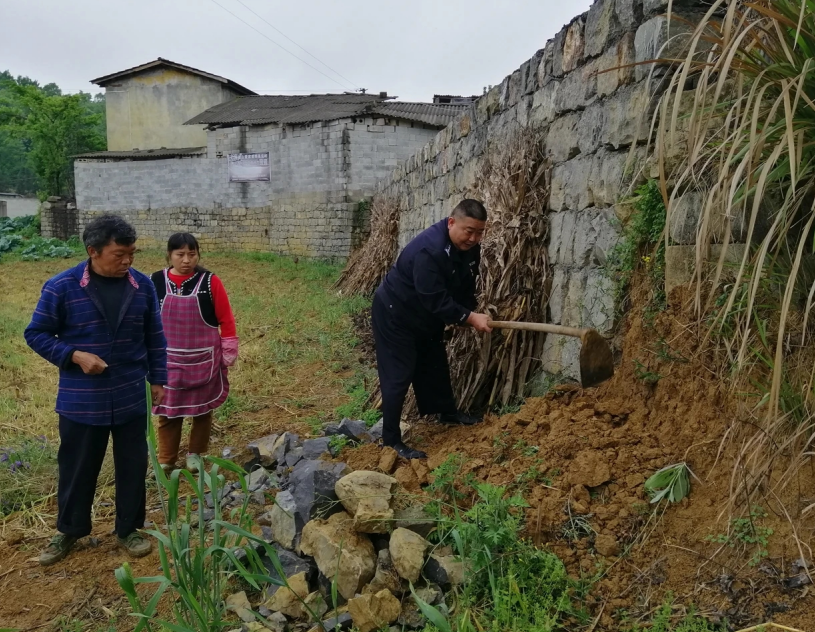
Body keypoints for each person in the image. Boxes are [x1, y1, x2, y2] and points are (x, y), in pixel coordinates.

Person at [25, 214, 168, 566]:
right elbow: (36, 333)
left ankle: (129, 529)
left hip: (130, 392)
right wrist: (73, 354)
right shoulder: (61, 287)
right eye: (119, 254)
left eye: (132, 253)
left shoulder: (142, 286)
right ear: (93, 251)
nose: (128, 261)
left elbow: (155, 337)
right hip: (82, 398)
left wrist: (158, 380)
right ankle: (69, 530)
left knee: (133, 464)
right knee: (77, 466)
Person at [372, 199, 493, 460]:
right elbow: (433, 298)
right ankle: (391, 440)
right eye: (468, 230)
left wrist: (468, 311)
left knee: (434, 362)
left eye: (479, 232)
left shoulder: (469, 248)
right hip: (396, 313)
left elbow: (464, 284)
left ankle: (446, 413)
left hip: (424, 315)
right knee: (399, 374)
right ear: (451, 223)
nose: (473, 238)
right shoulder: (430, 250)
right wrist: (469, 318)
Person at [150, 233, 238, 474]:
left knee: (202, 410)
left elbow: (225, 318)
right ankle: (166, 459)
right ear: (169, 255)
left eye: (192, 254)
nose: (186, 260)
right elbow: (145, 320)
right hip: (168, 361)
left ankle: (195, 455)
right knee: (168, 411)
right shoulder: (155, 281)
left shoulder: (210, 282)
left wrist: (229, 348)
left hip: (203, 360)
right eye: (180, 254)